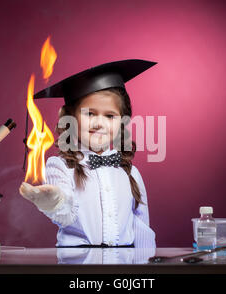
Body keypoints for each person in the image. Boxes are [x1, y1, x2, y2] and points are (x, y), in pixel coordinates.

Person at [19, 59, 157, 248]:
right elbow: (65, 215)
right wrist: (54, 201)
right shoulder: (60, 166)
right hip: (77, 263)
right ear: (69, 119)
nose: (99, 123)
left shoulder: (130, 172)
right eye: (90, 113)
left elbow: (141, 227)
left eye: (110, 116)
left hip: (123, 264)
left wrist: (145, 266)